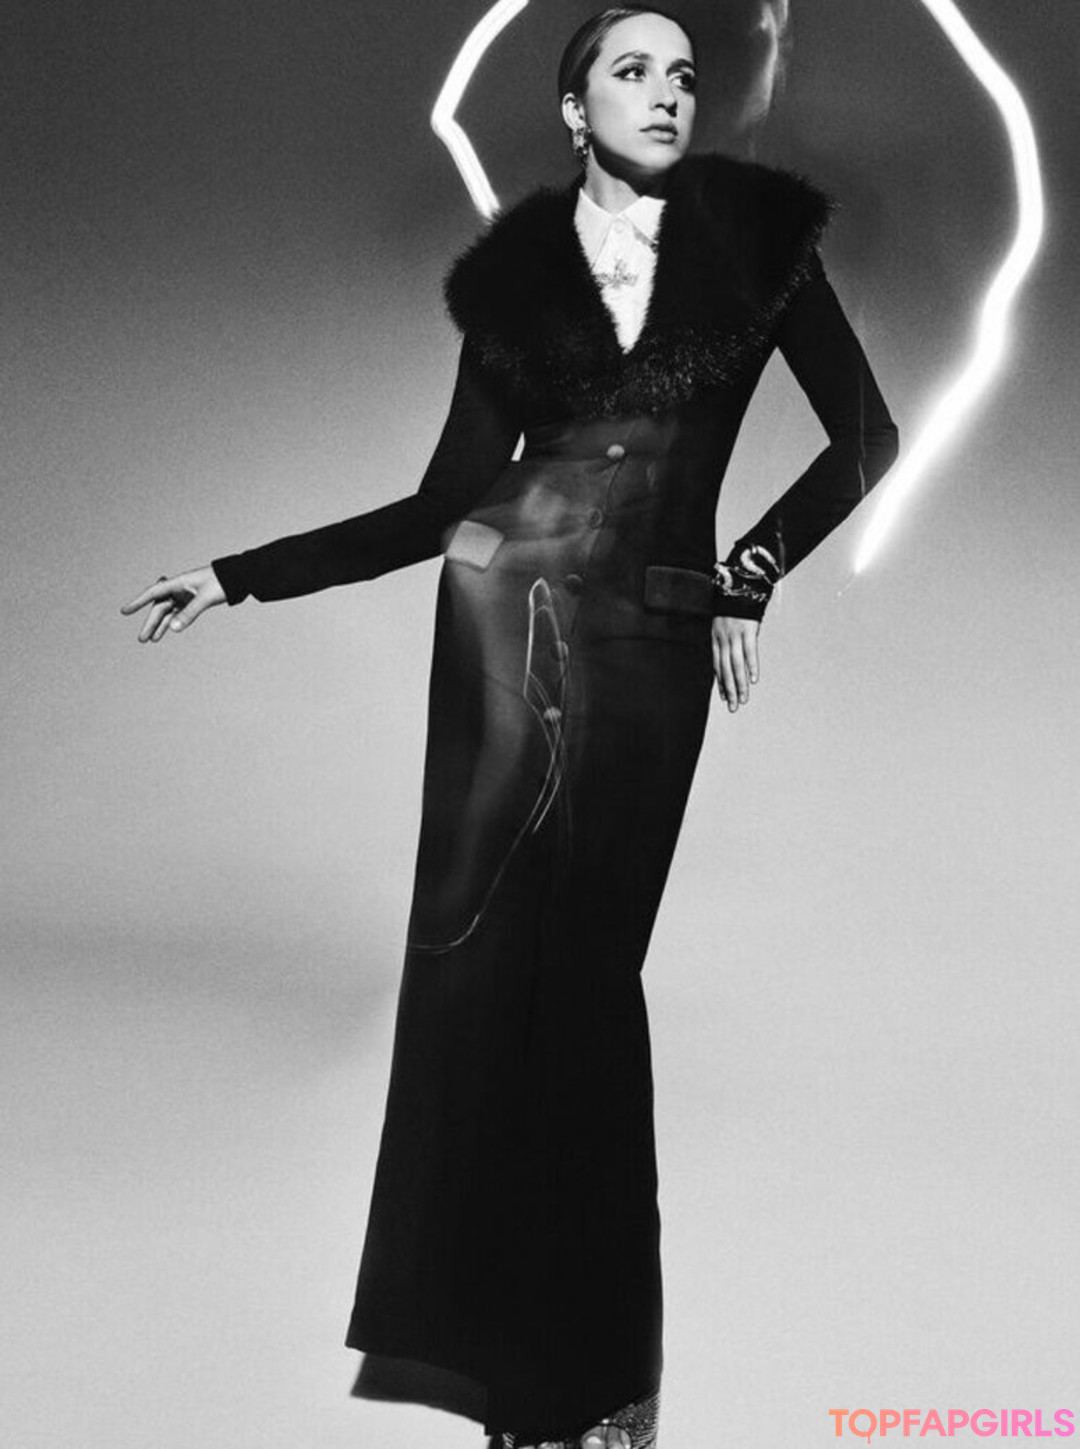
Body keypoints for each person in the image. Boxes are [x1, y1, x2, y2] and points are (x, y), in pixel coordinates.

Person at [122, 7, 899, 1446]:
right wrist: (241, 575)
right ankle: (515, 1395)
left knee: (590, 997)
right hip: (498, 640)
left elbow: (866, 438)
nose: (668, 93)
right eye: (632, 70)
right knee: (488, 1006)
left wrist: (749, 575)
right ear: (573, 107)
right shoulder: (515, 285)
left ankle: (604, 1392)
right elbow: (445, 503)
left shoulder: (757, 246)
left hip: (648, 646)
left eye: (683, 74)